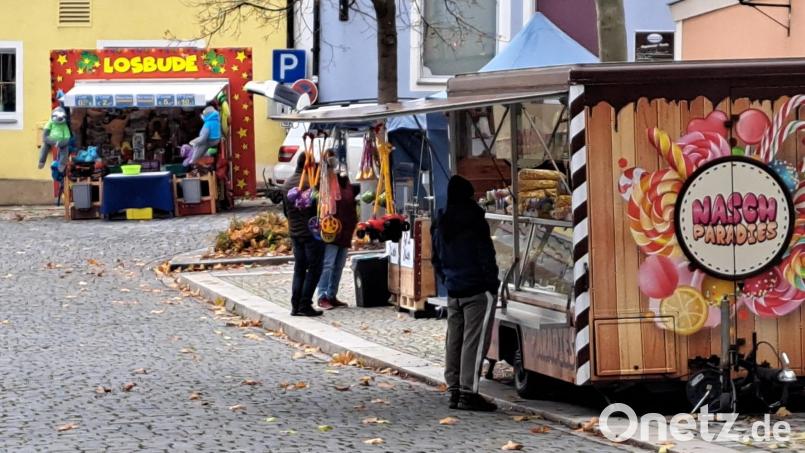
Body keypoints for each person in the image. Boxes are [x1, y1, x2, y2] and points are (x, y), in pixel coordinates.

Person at [432, 175, 500, 412]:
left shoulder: (441, 219)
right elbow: (486, 254)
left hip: (454, 288)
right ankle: (468, 392)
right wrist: (492, 284)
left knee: (455, 339)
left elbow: (436, 258)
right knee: (474, 340)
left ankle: (453, 388)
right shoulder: (475, 218)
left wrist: (447, 278)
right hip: (477, 288)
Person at [283, 157, 324, 317]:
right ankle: (305, 304)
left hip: (295, 232)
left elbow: (286, 212)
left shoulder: (287, 184)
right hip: (311, 234)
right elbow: (318, 211)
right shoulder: (311, 185)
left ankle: (295, 305)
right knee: (314, 268)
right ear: (309, 166)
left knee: (299, 268)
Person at [317, 174, 358, 310]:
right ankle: (322, 296)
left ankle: (331, 295)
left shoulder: (348, 185)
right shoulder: (327, 184)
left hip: (345, 231)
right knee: (328, 264)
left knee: (339, 266)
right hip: (332, 231)